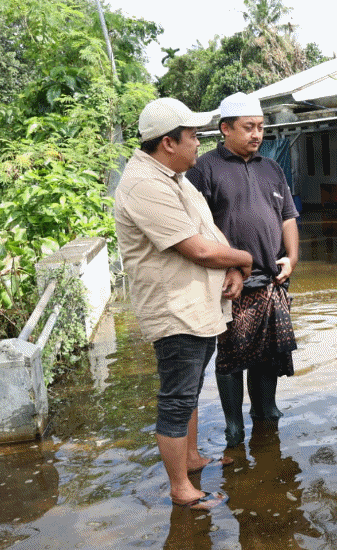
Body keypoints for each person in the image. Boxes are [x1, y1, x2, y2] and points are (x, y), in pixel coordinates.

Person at [114, 97, 254, 510]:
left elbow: (207, 230)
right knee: (176, 398)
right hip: (175, 310)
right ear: (168, 142)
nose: (198, 144)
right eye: (193, 136)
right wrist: (244, 259)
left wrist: (234, 268)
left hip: (197, 306)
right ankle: (180, 488)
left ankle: (191, 458)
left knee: (189, 390)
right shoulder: (145, 185)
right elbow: (198, 249)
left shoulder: (174, 177)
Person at [186, 92, 299, 447]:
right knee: (232, 356)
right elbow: (197, 226)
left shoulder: (271, 168)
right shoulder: (205, 169)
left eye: (261, 127)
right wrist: (229, 264)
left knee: (267, 352)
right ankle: (233, 425)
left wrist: (292, 257)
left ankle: (265, 411)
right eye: (249, 127)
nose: (257, 134)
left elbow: (288, 217)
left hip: (271, 280)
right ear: (226, 129)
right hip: (230, 283)